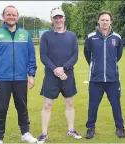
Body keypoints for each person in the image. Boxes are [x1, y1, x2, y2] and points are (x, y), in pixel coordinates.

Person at [0, 5, 37, 144]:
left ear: (17, 17)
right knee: (1, 109)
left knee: (22, 107)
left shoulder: (25, 34)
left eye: (14, 15)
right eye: (9, 14)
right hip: (1, 79)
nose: (11, 17)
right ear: (3, 16)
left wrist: (31, 75)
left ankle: (25, 133)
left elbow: (31, 56)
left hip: (20, 78)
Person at [36, 7, 81, 143]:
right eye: (55, 18)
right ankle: (44, 134)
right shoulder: (46, 36)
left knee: (70, 102)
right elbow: (43, 55)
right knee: (47, 105)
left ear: (64, 18)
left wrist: (64, 68)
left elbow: (75, 55)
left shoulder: (72, 36)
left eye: (60, 17)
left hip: (68, 75)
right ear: (52, 20)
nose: (58, 20)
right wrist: (55, 69)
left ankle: (71, 130)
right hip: (51, 76)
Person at [84, 11, 125, 139]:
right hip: (96, 79)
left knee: (116, 104)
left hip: (113, 79)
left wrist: (110, 68)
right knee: (93, 105)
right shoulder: (91, 37)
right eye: (102, 20)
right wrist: (96, 67)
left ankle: (120, 128)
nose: (105, 22)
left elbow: (118, 56)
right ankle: (90, 128)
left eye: (107, 20)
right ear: (98, 21)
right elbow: (87, 55)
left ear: (111, 21)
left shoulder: (117, 37)